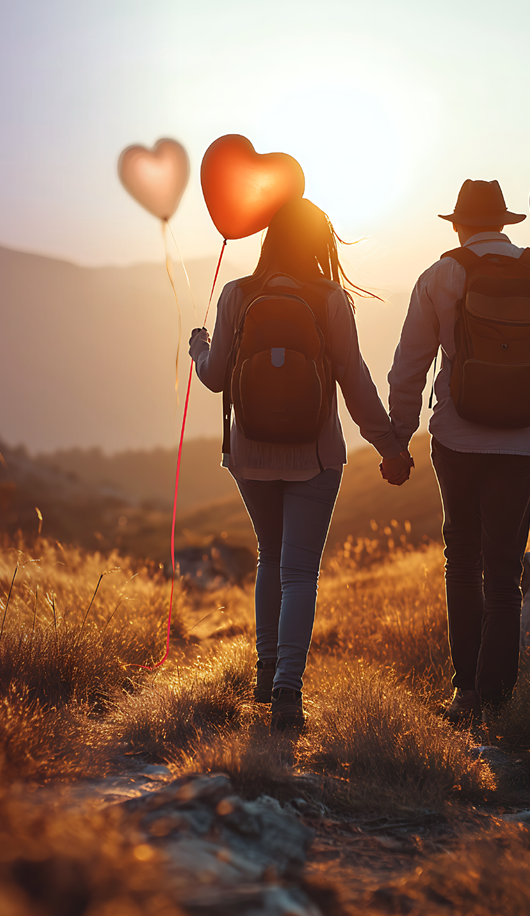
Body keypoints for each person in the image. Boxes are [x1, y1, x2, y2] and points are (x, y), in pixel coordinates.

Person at [189, 197, 409, 731]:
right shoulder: (330, 298)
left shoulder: (238, 294)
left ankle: (267, 675)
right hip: (315, 456)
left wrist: (199, 348)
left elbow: (216, 376)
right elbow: (354, 382)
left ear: (268, 239)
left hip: (250, 453)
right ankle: (288, 689)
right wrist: (389, 445)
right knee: (299, 572)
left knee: (270, 556)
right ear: (318, 244)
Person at [385, 179, 530, 724]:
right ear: (504, 223)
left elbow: (409, 366)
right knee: (504, 572)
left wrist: (398, 439)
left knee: (463, 562)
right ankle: (498, 704)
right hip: (522, 442)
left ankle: (466, 692)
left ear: (458, 225)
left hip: (456, 438)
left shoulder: (440, 275)